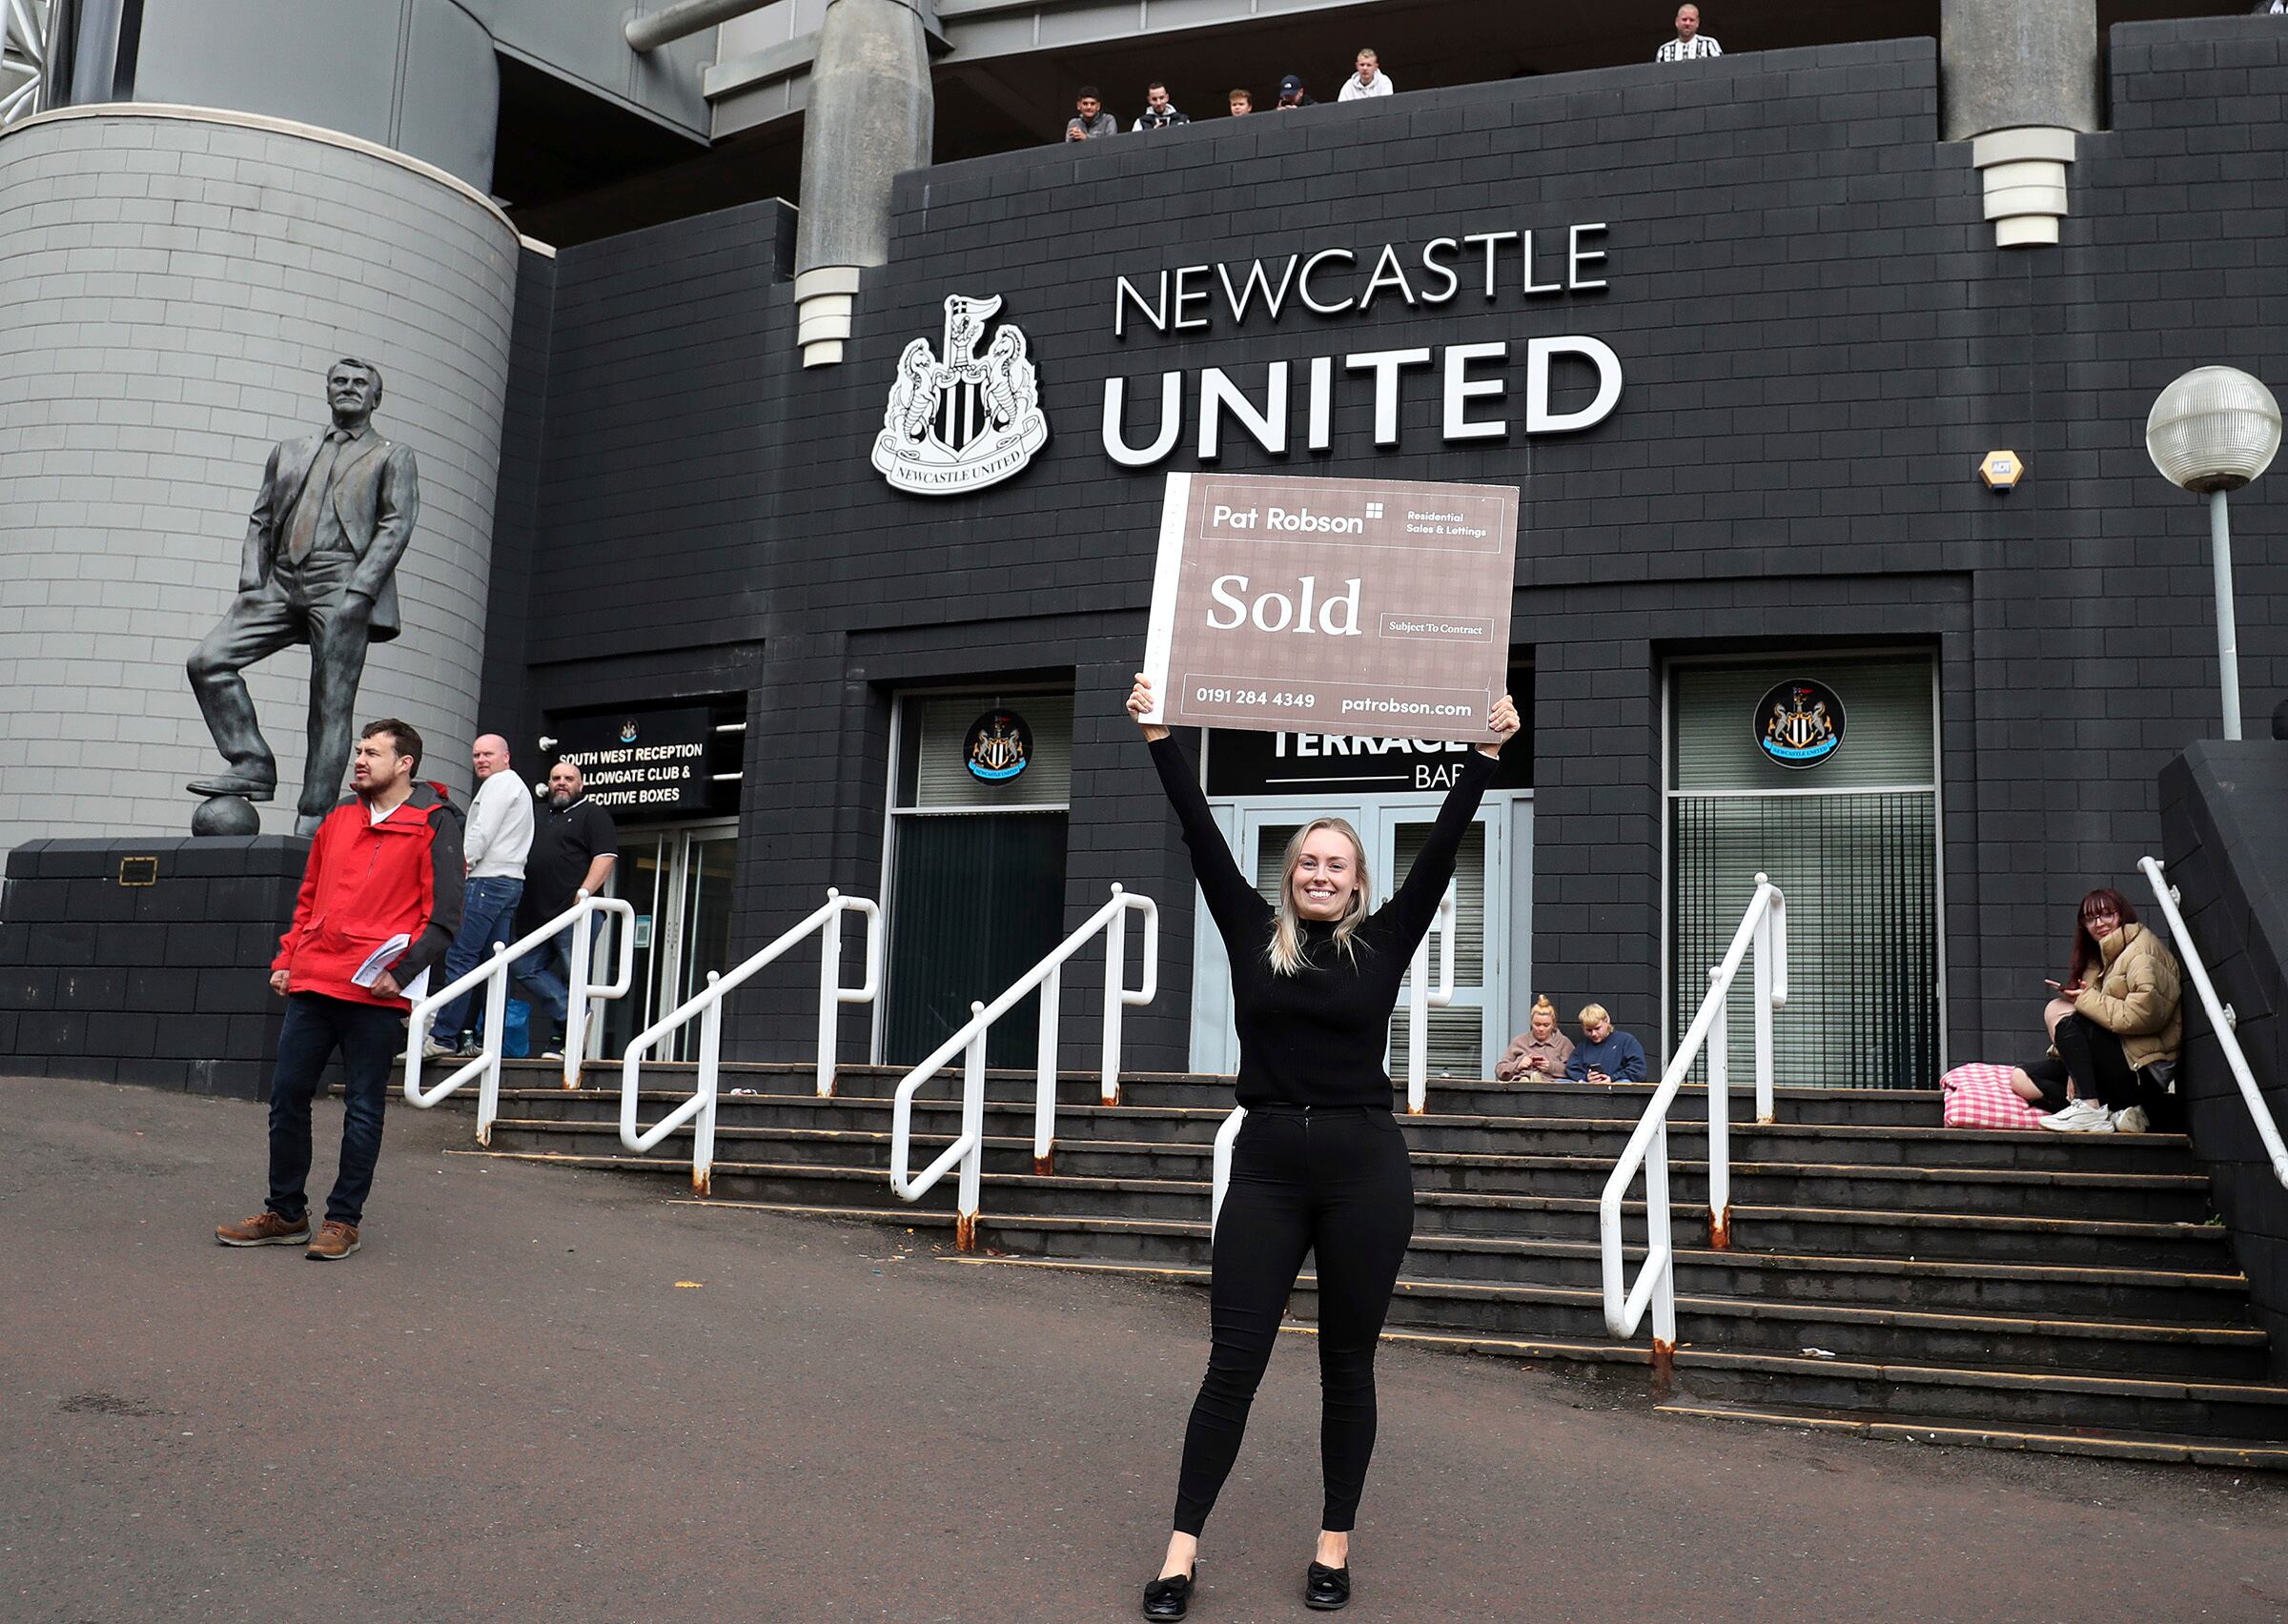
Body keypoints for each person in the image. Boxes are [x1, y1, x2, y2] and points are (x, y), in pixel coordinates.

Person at [1128, 672, 1520, 1621]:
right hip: (1265, 1163)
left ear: (1356, 882)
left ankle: (1333, 1542)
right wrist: (1160, 735)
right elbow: (1197, 830)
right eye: (1309, 859)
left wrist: (1486, 758)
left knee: (1348, 1362)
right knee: (1234, 1360)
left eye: (1337, 864)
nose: (1320, 873)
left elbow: (1444, 847)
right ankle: (1181, 1552)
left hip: (1362, 1171)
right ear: (1289, 871)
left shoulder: (1383, 943)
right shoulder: (1247, 929)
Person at [215, 720, 463, 1261]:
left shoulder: (434, 822)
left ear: (405, 764)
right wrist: (288, 958)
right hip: (314, 980)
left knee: (364, 1108)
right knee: (286, 1098)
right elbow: (309, 899)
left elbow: (443, 918)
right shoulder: (339, 819)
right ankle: (285, 1214)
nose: (359, 760)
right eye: (359, 750)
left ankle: (343, 1220)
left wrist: (401, 973)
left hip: (376, 993)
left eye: (373, 752)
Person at [185, 357, 422, 836]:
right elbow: (261, 517)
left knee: (330, 702)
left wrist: (362, 589)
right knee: (207, 661)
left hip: (342, 581)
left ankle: (313, 815)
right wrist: (253, 582)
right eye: (340, 381)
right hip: (281, 582)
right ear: (327, 390)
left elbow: (396, 524)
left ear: (375, 398)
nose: (348, 389)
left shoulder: (391, 455)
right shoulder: (291, 450)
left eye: (360, 384)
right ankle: (251, 760)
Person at [2008, 889, 2182, 1134]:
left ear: (2122, 915)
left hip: (2143, 1069)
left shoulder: (2142, 951)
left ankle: (2091, 1108)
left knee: (2069, 1020)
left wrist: (2087, 1000)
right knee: (2021, 1078)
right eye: (2091, 919)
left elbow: (2144, 1016)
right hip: (2116, 1060)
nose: (2099, 924)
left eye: (2107, 915)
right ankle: (2113, 1112)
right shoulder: (2097, 960)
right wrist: (2073, 1068)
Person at [423, 733, 535, 1058]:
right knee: (493, 966)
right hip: (510, 882)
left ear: (506, 756)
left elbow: (481, 833)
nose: (481, 760)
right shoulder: (516, 786)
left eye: (488, 754)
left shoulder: (499, 784)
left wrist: (461, 867)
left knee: (461, 959)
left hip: (487, 883)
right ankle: (492, 1041)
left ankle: (443, 1038)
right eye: (476, 755)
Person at [511, 760, 619, 1061]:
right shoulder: (537, 814)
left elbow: (606, 857)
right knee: (521, 965)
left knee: (575, 975)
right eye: (556, 777)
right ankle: (574, 1017)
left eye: (569, 778)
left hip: (575, 913)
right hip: (536, 915)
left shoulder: (593, 815)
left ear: (580, 784)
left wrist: (583, 895)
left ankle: (567, 1043)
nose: (561, 782)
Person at [1495, 994, 1575, 1083]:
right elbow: (1499, 1069)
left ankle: (1536, 1082)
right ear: (1531, 1023)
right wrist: (1518, 1065)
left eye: (1546, 1025)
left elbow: (1574, 1071)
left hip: (1551, 1087)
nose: (1541, 1029)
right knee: (1522, 1081)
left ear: (1553, 1024)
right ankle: (1526, 1082)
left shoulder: (1563, 1043)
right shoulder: (1519, 1041)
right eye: (1537, 1024)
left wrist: (1551, 1067)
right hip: (1520, 1084)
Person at [1564, 1004, 1648, 1085]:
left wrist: (1612, 1079)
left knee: (1624, 1083)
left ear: (1607, 1021)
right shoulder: (1582, 1047)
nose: (1593, 1033)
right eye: (1589, 1030)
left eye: (1597, 1028)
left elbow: (1638, 1070)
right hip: (1590, 1089)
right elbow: (1572, 1069)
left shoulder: (1626, 1041)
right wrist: (1586, 1077)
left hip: (1617, 1089)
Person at [1656, 4, 1722, 61]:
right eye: (1684, 19)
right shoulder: (1664, 50)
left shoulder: (1710, 44)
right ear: (1676, 22)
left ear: (1697, 23)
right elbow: (1658, 74)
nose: (1687, 23)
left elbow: (1719, 69)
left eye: (1692, 20)